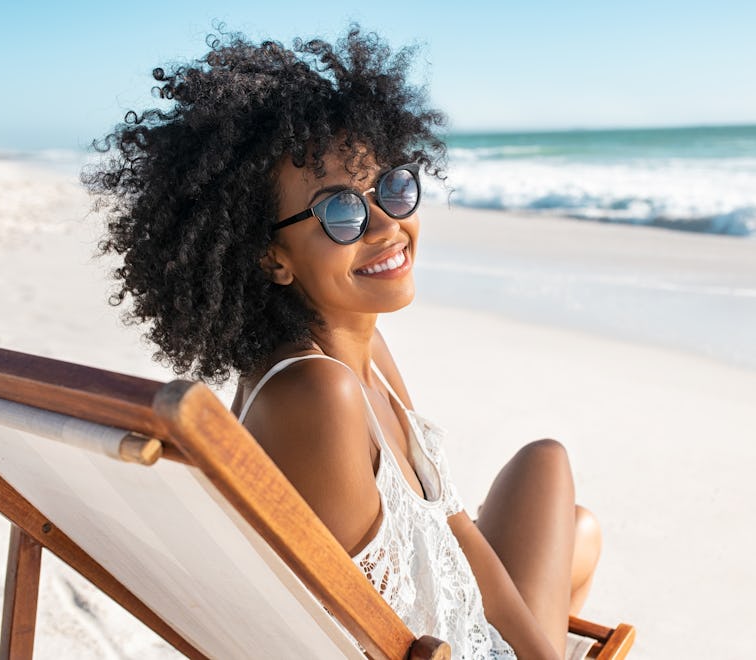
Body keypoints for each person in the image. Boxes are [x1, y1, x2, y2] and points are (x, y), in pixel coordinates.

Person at [85, 27, 601, 659]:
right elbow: (358, 635)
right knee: (568, 516)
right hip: (434, 649)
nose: (386, 225)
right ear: (272, 257)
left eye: (388, 188)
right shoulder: (316, 391)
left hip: (447, 610)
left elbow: (452, 523)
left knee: (567, 508)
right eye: (340, 212)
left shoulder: (360, 349)